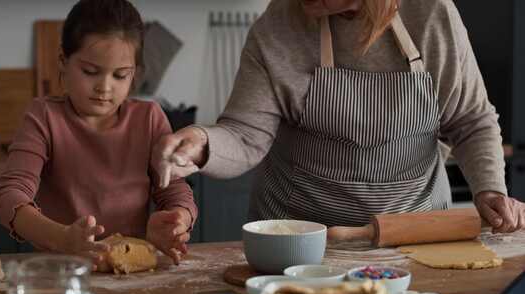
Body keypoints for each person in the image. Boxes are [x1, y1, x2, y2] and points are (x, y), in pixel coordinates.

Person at [155, 0, 525, 233]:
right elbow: (245, 135)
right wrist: (202, 145)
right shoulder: (278, 25)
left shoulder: (431, 15)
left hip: (414, 231)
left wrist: (490, 188)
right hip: (298, 239)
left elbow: (471, 120)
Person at [0, 0, 197, 265]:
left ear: (134, 73)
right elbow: (9, 195)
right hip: (61, 272)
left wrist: (178, 219)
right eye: (90, 72)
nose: (104, 87)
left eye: (120, 75)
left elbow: (175, 191)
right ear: (63, 62)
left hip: (131, 270)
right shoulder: (44, 116)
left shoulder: (149, 119)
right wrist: (62, 237)